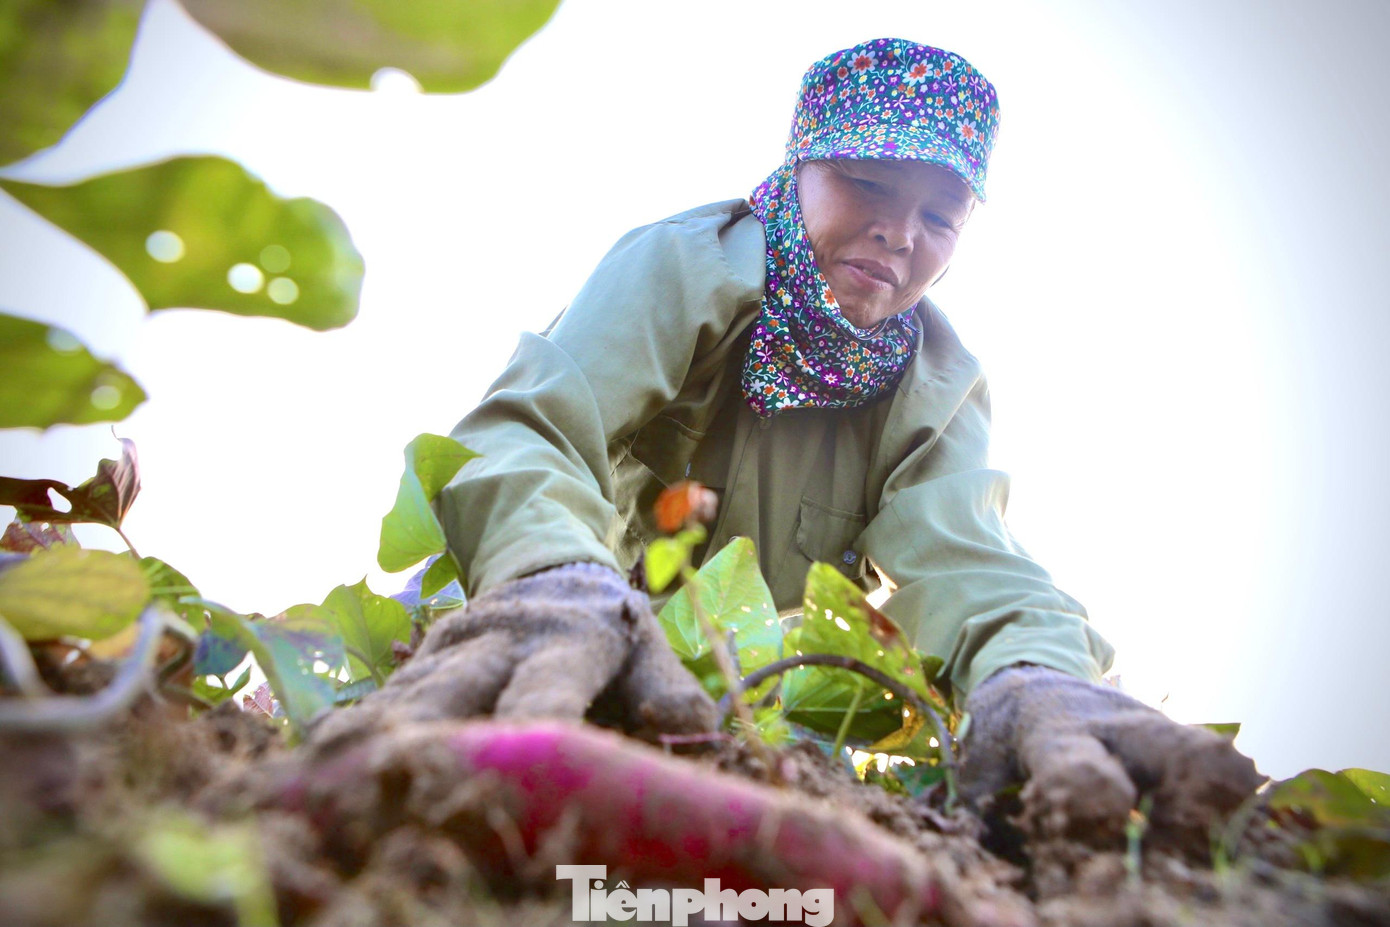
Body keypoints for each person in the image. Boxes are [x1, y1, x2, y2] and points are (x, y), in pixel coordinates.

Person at [344, 38, 1261, 840]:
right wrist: (554, 578)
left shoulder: (939, 381)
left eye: (941, 216)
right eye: (867, 182)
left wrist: (1035, 672)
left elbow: (971, 558)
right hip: (550, 628)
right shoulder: (685, 266)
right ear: (799, 167)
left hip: (739, 706)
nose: (900, 232)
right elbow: (530, 433)